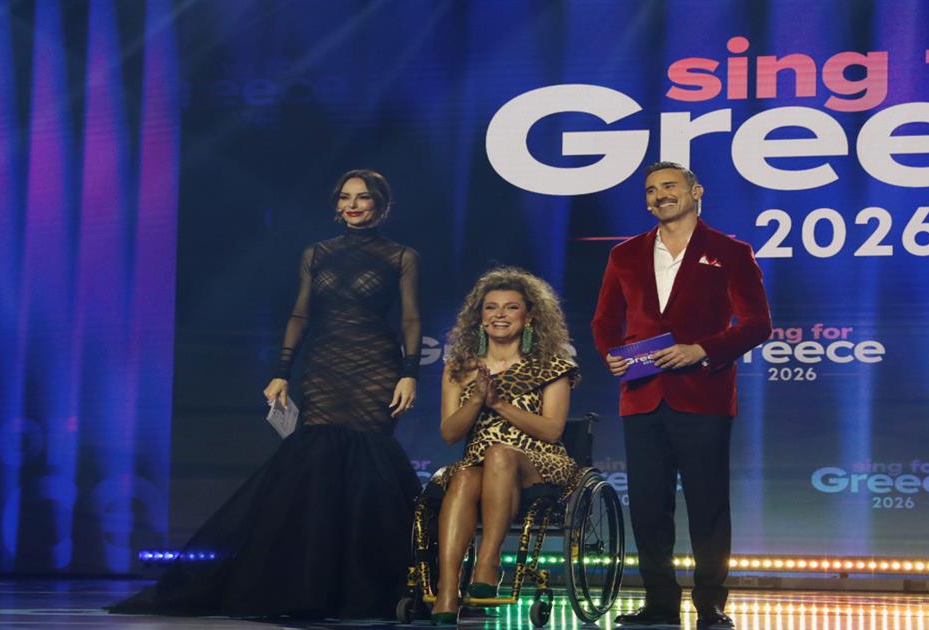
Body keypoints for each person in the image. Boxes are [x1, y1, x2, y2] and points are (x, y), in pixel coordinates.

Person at [109, 169, 423, 620]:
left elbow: (411, 319)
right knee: (316, 467)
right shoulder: (316, 253)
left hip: (375, 366)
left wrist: (409, 374)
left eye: (363, 197)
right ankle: (307, 585)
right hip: (324, 366)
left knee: (368, 468)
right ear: (336, 205)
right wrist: (282, 373)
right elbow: (300, 314)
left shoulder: (401, 256)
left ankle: (369, 587)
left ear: (382, 204)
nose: (353, 205)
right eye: (345, 197)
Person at [591, 162, 771, 629]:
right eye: (651, 190)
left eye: (669, 186)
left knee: (708, 505)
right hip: (641, 396)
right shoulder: (624, 254)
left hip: (704, 396)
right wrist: (611, 354)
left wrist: (702, 350)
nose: (659, 195)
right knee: (649, 506)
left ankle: (710, 604)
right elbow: (605, 320)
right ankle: (660, 603)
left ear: (696, 191)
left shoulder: (730, 252)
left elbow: (757, 324)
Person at [430, 268, 580, 625]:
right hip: (479, 463)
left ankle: (488, 562)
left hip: (540, 461)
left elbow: (552, 430)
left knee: (500, 453)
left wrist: (498, 404)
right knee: (464, 477)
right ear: (480, 317)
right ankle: (447, 590)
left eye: (511, 307)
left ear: (528, 317)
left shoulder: (551, 367)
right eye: (491, 307)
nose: (500, 314)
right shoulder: (458, 369)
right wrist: (476, 399)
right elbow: (450, 434)